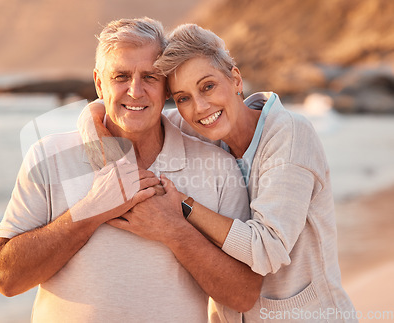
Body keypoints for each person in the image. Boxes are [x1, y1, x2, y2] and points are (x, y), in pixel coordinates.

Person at [0, 17, 262, 322]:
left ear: (167, 88)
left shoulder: (217, 167)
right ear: (98, 83)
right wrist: (90, 211)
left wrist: (173, 231)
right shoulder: (48, 156)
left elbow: (244, 295)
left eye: (150, 77)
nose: (135, 90)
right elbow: (6, 279)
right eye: (121, 76)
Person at [80, 23, 357, 322]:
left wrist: (182, 207)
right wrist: (113, 166)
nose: (200, 107)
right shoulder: (198, 125)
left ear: (235, 79)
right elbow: (104, 112)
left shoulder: (290, 135)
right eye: (183, 97)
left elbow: (267, 248)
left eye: (208, 86)